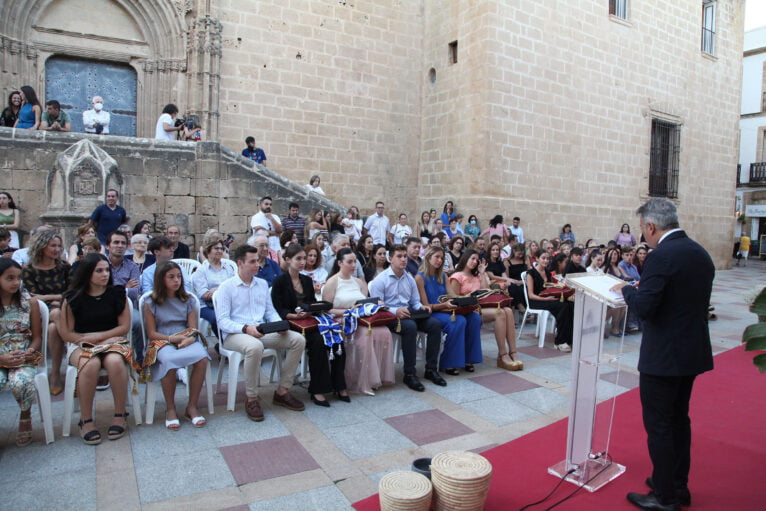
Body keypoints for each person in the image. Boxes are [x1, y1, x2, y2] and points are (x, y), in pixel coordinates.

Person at [611, 198, 714, 511]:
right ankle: (675, 485)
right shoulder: (700, 253)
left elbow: (644, 309)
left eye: (643, 230)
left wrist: (627, 289)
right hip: (691, 352)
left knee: (659, 426)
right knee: (679, 421)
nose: (644, 236)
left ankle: (666, 498)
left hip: (664, 356)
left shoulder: (661, 256)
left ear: (651, 226)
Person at [215, 245, 306, 421]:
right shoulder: (226, 287)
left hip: (261, 330)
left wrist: (278, 324)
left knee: (298, 339)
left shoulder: (262, 284)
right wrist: (245, 328)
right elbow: (223, 321)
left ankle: (282, 391)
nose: (257, 264)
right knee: (255, 346)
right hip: (235, 334)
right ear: (240, 263)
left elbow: (269, 311)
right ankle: (252, 398)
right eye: (252, 261)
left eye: (257, 260)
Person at [57, 254, 134, 444]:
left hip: (111, 341)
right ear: (87, 273)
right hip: (81, 342)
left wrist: (99, 339)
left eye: (107, 270)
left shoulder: (116, 293)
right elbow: (67, 334)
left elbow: (124, 327)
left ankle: (119, 414)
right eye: (99, 270)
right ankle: (86, 419)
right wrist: (90, 341)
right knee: (90, 365)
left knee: (115, 362)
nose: (105, 274)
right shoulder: (73, 297)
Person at [272, 244, 348, 406]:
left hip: (308, 320)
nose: (302, 262)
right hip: (292, 324)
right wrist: (293, 315)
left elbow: (311, 303)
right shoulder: (279, 281)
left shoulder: (306, 280)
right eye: (298, 258)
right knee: (319, 342)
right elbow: (278, 308)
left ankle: (339, 385)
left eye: (304, 258)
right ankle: (318, 390)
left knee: (335, 335)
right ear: (287, 260)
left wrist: (313, 309)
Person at [142, 261, 210, 429]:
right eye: (171, 277)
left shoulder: (187, 299)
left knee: (202, 358)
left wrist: (189, 339)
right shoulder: (150, 302)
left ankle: (192, 406)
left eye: (179, 276)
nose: (176, 280)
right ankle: (170, 408)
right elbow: (151, 333)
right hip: (162, 339)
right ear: (161, 279)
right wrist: (173, 339)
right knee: (169, 361)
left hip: (184, 336)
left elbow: (193, 329)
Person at [369, 244, 445, 391]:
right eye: (399, 256)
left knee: (434, 324)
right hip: (389, 316)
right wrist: (395, 310)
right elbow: (377, 306)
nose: (403, 259)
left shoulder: (409, 278)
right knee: (410, 327)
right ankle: (409, 374)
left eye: (405, 256)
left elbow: (415, 302)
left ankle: (431, 369)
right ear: (390, 258)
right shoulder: (380, 280)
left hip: (409, 314)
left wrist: (421, 307)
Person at [322, 248, 394, 395]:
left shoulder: (359, 282)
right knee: (366, 336)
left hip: (360, 318)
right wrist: (348, 311)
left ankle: (376, 376)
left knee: (384, 331)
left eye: (355, 261)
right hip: (342, 320)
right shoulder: (332, 282)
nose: (354, 265)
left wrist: (375, 305)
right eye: (350, 262)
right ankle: (363, 382)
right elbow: (327, 310)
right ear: (340, 263)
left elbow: (365, 302)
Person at [448, 250, 521, 370]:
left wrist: (482, 274)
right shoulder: (457, 276)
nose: (474, 262)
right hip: (468, 310)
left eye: (476, 260)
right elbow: (454, 298)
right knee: (500, 313)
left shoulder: (477, 275)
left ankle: (513, 351)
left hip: (481, 307)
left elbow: (486, 292)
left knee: (507, 310)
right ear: (465, 258)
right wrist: (470, 295)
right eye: (472, 258)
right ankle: (502, 354)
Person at [415, 247, 482, 375]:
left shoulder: (444, 276)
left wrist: (468, 299)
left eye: (442, 258)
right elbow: (426, 305)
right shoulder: (420, 277)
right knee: (459, 321)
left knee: (475, 318)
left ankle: (469, 359)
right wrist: (444, 305)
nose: (440, 260)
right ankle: (448, 362)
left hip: (447, 309)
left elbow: (453, 296)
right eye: (437, 257)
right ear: (428, 258)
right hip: (433, 312)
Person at [21, 230, 70, 393]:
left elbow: (72, 292)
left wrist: (48, 297)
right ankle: (74, 343)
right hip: (38, 313)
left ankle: (55, 373)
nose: (56, 249)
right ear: (42, 246)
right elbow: (32, 298)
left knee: (53, 328)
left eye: (58, 246)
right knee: (54, 315)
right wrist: (55, 297)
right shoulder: (29, 270)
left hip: (63, 309)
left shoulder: (64, 267)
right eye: (52, 245)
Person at [0, 259, 42, 446]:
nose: (16, 283)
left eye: (18, 278)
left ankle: (25, 416)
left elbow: (37, 337)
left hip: (24, 354)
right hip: (1, 355)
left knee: (21, 381)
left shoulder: (29, 301)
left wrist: (30, 352)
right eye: (10, 278)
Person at [526, 251, 574, 351]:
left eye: (548, 259)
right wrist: (545, 299)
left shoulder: (547, 272)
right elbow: (531, 295)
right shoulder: (530, 273)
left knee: (570, 304)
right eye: (543, 258)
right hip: (537, 301)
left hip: (548, 299)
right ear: (537, 259)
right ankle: (560, 341)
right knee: (562, 306)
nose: (546, 261)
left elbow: (551, 288)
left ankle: (568, 338)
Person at [192, 232, 236, 335]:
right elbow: (204, 295)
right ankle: (224, 343)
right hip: (207, 306)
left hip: (227, 303)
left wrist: (216, 291)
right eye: (216, 248)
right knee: (218, 317)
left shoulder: (228, 268)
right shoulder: (201, 270)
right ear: (208, 250)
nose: (220, 251)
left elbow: (235, 287)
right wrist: (223, 291)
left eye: (222, 249)